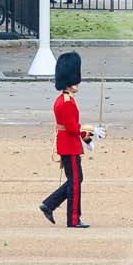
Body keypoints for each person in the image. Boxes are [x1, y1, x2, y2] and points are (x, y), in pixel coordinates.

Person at [39, 51, 97, 228]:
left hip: (68, 143)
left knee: (75, 180)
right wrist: (92, 132)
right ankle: (73, 219)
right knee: (75, 182)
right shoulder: (66, 102)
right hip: (69, 145)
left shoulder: (65, 99)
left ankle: (49, 204)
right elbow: (73, 128)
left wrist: (87, 138)